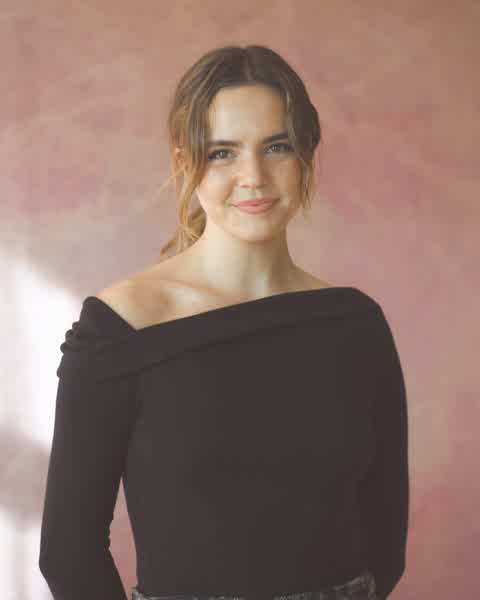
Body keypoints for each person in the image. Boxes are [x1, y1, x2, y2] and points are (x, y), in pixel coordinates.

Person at [38, 45, 409, 600]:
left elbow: (385, 534)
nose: (253, 176)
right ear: (185, 162)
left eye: (276, 146)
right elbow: (69, 554)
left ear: (306, 154)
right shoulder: (121, 330)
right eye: (222, 153)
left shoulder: (355, 325)